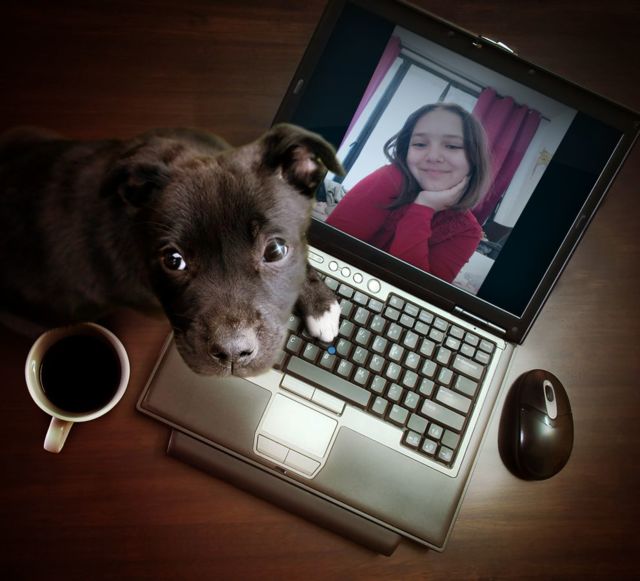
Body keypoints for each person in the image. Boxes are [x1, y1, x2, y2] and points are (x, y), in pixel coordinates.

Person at [326, 103, 491, 283]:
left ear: (474, 159)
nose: (433, 157)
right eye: (420, 144)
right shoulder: (389, 178)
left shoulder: (467, 231)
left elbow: (415, 289)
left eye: (452, 146)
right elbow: (327, 247)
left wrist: (423, 208)